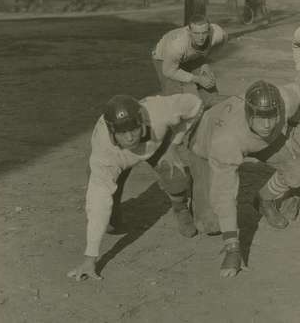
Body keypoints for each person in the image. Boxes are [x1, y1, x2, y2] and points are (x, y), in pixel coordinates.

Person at [67, 93, 203, 282]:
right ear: (112, 133)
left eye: (134, 129)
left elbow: (195, 104)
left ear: (143, 121)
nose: (130, 137)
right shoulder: (104, 151)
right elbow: (98, 201)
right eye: (122, 133)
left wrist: (175, 143)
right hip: (119, 160)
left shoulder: (159, 111)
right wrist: (90, 257)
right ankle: (116, 209)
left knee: (176, 175)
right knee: (109, 223)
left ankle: (180, 207)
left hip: (157, 145)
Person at [187, 81, 300, 277]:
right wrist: (232, 249)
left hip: (254, 140)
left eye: (272, 116)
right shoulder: (225, 141)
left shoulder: (286, 99)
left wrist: (297, 121)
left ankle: (264, 199)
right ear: (248, 114)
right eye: (260, 117)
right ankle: (186, 190)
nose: (267, 124)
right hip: (205, 145)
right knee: (211, 224)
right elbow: (224, 195)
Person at [151, 15, 228, 107]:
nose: (201, 38)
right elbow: (169, 71)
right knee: (176, 99)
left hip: (191, 54)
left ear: (209, 30)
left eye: (204, 33)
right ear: (189, 31)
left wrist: (205, 63)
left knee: (208, 82)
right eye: (196, 33)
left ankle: (212, 107)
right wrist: (197, 79)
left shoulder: (218, 34)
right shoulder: (177, 46)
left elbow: (216, 47)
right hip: (164, 58)